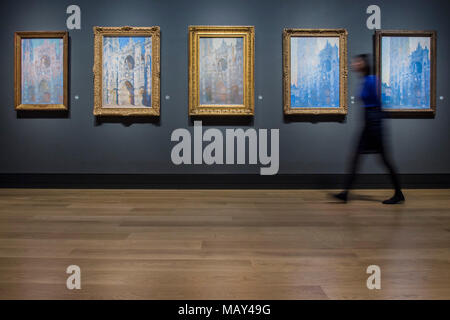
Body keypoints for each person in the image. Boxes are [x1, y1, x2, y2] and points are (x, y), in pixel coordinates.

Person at [334, 54, 405, 204]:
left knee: (385, 161)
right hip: (369, 126)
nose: (354, 64)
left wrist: (375, 124)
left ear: (365, 64)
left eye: (357, 61)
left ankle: (399, 194)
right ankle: (345, 193)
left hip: (374, 126)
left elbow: (379, 103)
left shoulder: (372, 80)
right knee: (356, 159)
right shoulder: (366, 80)